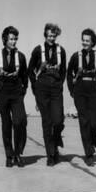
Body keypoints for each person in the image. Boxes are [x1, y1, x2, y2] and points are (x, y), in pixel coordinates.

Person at [0, 26, 28, 167]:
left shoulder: (21, 56)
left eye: (15, 39)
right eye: (11, 39)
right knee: (6, 124)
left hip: (16, 93)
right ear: (5, 39)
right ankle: (9, 156)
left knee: (19, 122)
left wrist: (23, 92)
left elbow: (25, 77)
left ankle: (18, 153)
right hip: (2, 93)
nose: (14, 41)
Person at [27, 23, 67, 166]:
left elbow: (64, 71)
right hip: (42, 88)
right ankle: (50, 154)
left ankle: (56, 140)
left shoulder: (61, 50)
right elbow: (29, 70)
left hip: (56, 88)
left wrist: (59, 84)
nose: (51, 38)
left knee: (58, 120)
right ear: (45, 35)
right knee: (46, 122)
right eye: (49, 35)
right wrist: (35, 87)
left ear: (56, 36)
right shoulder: (38, 50)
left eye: (54, 35)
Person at [67, 28, 96, 166]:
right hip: (80, 91)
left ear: (92, 42)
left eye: (87, 41)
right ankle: (88, 154)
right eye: (83, 40)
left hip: (94, 90)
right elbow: (68, 72)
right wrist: (72, 90)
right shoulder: (75, 56)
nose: (84, 43)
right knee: (84, 121)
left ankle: (92, 140)